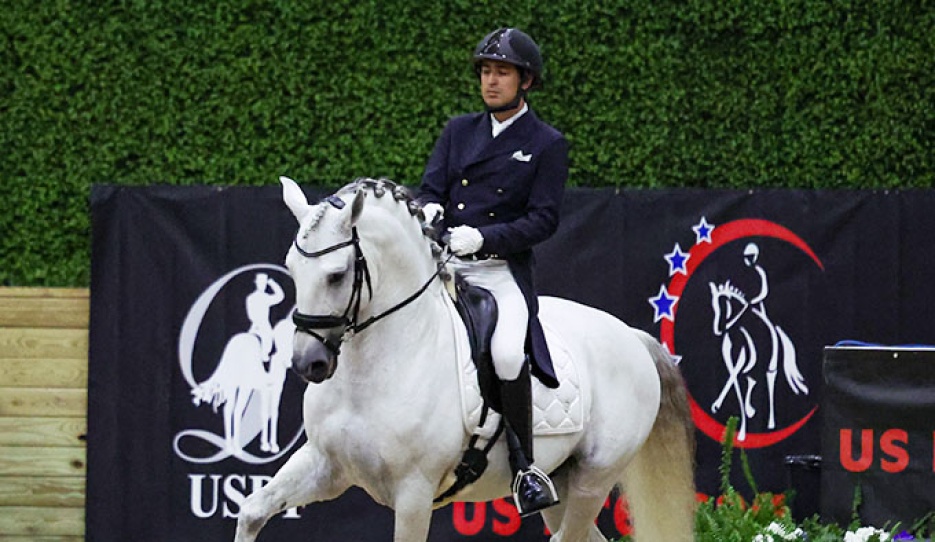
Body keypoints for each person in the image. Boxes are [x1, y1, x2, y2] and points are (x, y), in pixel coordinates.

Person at [418, 27, 568, 516]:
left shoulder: (546, 144)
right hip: (446, 264)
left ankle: (525, 468)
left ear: (525, 81)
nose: (490, 81)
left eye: (501, 72)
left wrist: (485, 238)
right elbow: (430, 189)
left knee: (506, 354)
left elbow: (543, 219)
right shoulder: (458, 130)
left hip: (499, 270)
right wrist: (430, 213)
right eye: (485, 71)